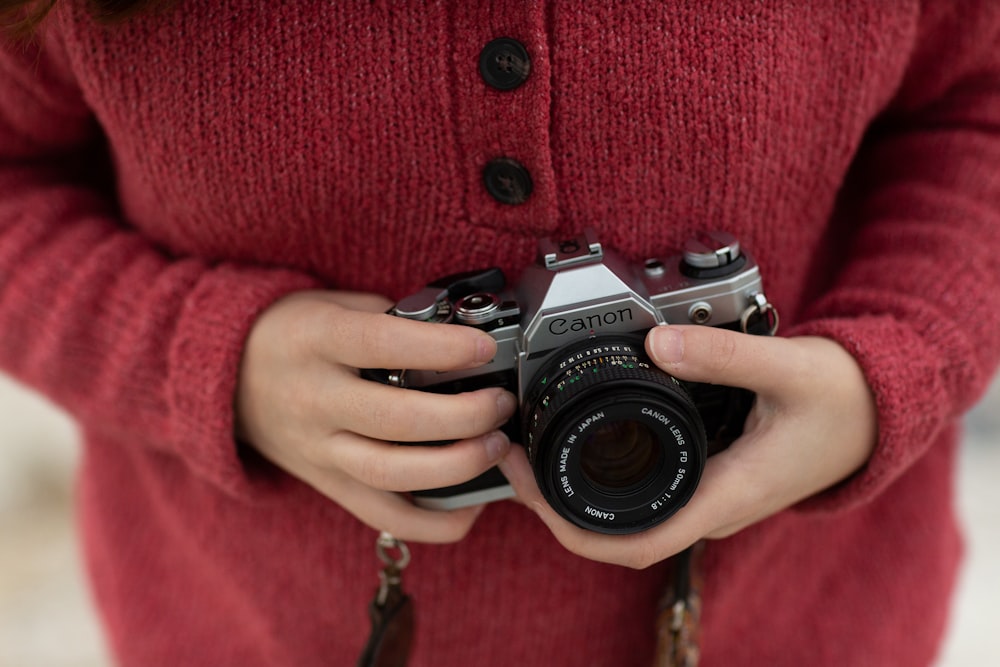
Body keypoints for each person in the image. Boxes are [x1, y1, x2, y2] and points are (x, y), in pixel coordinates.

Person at [1, 1, 998, 665]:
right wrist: (213, 358)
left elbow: (975, 101)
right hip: (243, 630)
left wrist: (886, 368)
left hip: (807, 625)